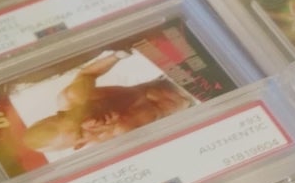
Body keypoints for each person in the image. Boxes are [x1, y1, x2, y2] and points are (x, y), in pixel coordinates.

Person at [20, 50, 193, 156]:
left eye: (77, 118)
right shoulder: (115, 143)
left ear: (63, 113)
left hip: (174, 78)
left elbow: (87, 74)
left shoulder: (73, 97)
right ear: (80, 145)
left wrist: (117, 55)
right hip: (194, 107)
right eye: (81, 132)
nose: (90, 122)